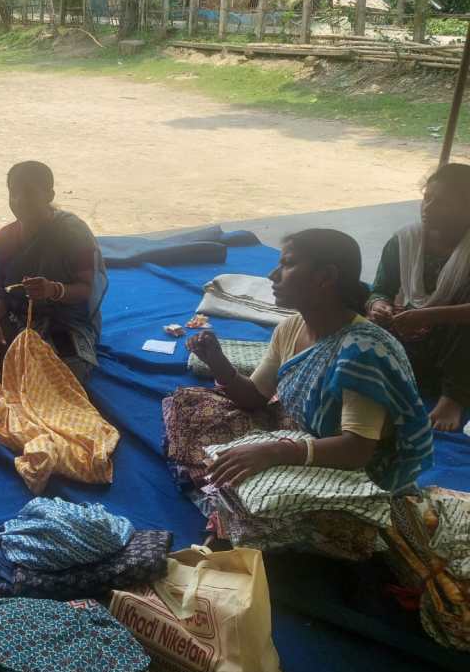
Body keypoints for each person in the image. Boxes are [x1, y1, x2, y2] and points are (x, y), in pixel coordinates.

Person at [187, 229, 432, 493]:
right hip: (309, 440)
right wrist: (218, 364)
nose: (273, 275)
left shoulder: (363, 352)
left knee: (252, 490)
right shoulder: (291, 328)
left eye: (288, 264)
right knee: (189, 407)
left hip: (360, 474)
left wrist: (274, 452)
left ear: (325, 276)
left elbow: (357, 450)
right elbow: (254, 397)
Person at [0, 161, 107, 383]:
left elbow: (85, 289)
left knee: (70, 372)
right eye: (14, 193)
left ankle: (20, 361)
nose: (20, 201)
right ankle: (14, 352)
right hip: (17, 315)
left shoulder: (72, 233)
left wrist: (53, 290)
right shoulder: (2, 240)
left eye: (29, 192)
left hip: (65, 321)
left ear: (49, 194)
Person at [367, 163, 470, 432]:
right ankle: (385, 376)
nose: (428, 207)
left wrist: (429, 315)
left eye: (443, 203)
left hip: (460, 349)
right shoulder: (404, 240)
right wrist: (379, 305)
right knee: (347, 295)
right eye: (427, 198)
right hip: (416, 338)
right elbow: (380, 289)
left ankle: (454, 398)